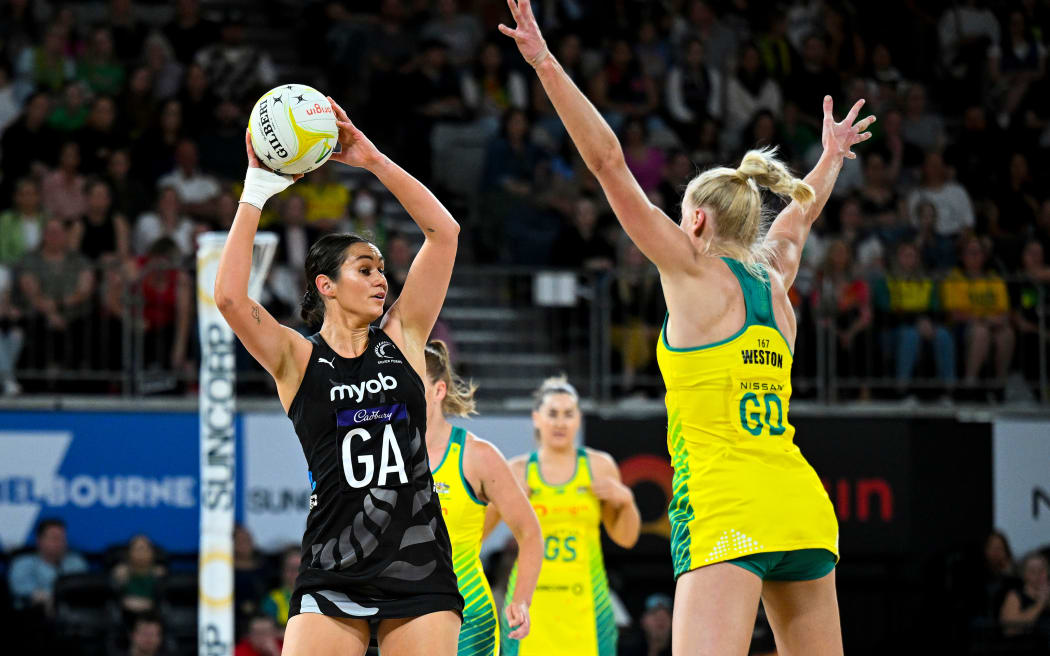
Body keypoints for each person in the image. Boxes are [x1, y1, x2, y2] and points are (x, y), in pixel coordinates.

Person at [499, 2, 872, 652]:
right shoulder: (775, 281)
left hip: (727, 505)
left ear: (695, 223)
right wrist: (831, 156)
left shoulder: (695, 278)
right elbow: (799, 219)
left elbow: (610, 163)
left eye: (678, 215)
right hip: (800, 503)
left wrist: (545, 63)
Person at [214, 97, 463, 656]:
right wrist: (256, 188)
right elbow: (230, 297)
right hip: (332, 565)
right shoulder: (296, 359)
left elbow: (443, 233)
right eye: (366, 269)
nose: (382, 280)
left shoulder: (403, 336)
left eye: (382, 269)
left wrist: (374, 159)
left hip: (417, 563)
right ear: (326, 285)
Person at [500, 376, 641, 656]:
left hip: (588, 605)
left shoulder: (599, 466)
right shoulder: (516, 471)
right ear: (536, 418)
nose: (560, 422)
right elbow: (477, 533)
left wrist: (626, 500)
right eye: (552, 414)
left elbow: (626, 539)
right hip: (529, 605)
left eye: (568, 414)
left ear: (579, 419)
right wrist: (501, 502)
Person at [423, 340, 543, 656]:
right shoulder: (383, 455)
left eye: (413, 385)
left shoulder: (476, 456)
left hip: (467, 617)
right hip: (402, 616)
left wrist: (520, 600)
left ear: (438, 391)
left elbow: (530, 533)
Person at [7, 518, 88, 613]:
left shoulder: (76, 562)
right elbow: (19, 588)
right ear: (39, 540)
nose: (59, 543)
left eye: (62, 538)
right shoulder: (23, 563)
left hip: (72, 614)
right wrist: (46, 597)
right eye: (54, 538)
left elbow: (84, 587)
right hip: (32, 616)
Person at [111, 534, 167, 615]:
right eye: (138, 549)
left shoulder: (160, 574)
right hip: (127, 615)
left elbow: (161, 602)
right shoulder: (120, 573)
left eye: (145, 549)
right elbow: (116, 601)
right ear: (129, 552)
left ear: (152, 552)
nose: (141, 553)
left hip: (152, 616)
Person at [1000, 553, 1050, 641]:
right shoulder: (1015, 596)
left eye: (1042, 570)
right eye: (1033, 571)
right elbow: (1010, 629)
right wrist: (1040, 604)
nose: (1038, 574)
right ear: (1024, 574)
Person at [261, 547, 300, 631]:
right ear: (283, 572)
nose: (295, 573)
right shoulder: (273, 598)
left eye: (299, 569)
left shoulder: (318, 595)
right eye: (290, 569)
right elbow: (267, 631)